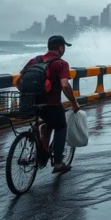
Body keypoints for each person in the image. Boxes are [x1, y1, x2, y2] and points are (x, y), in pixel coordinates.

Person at [18, 35, 79, 174]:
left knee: (45, 123)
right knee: (61, 127)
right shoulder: (61, 63)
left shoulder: (35, 60)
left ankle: (42, 153)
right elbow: (65, 85)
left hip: (32, 104)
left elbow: (18, 81)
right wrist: (74, 103)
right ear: (61, 47)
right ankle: (58, 163)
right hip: (52, 104)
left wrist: (28, 96)